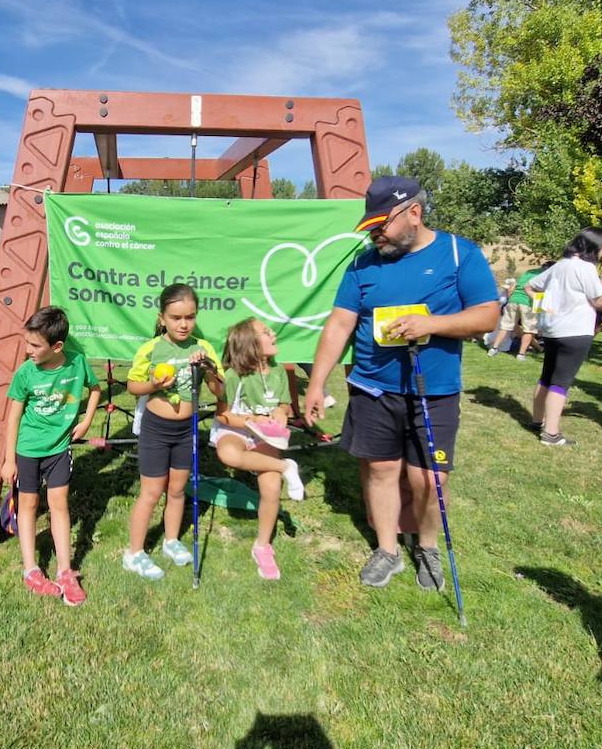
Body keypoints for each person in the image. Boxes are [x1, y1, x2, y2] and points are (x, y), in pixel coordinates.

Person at [303, 176, 500, 590]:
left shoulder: (459, 254)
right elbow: (339, 325)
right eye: (370, 226)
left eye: (382, 225)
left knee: (430, 478)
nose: (375, 234)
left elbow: (486, 316)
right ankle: (387, 549)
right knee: (381, 469)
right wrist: (316, 383)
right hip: (372, 387)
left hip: (434, 390)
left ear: (414, 212)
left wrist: (432, 324)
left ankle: (427, 546)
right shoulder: (362, 264)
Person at [122, 284, 225, 580]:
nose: (183, 324)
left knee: (178, 490)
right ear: (162, 318)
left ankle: (170, 540)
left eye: (189, 317)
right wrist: (154, 385)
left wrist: (207, 369)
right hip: (157, 428)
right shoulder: (151, 348)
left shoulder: (202, 348)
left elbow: (220, 391)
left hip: (186, 429)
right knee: (152, 492)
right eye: (176, 317)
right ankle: (134, 553)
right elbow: (132, 386)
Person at [0, 306, 100, 606]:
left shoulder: (77, 363)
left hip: (59, 449)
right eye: (26, 343)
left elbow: (95, 389)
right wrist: (9, 460)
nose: (27, 350)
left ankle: (65, 572)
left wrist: (86, 421)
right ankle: (31, 570)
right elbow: (13, 418)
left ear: (57, 347)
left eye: (34, 345)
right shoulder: (25, 373)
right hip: (28, 451)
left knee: (59, 505)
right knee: (28, 505)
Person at [210, 318, 306, 580]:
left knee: (272, 488)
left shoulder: (278, 372)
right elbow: (223, 415)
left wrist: (281, 413)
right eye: (266, 332)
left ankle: (262, 546)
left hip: (266, 436)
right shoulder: (233, 376)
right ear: (250, 344)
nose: (273, 333)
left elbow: (284, 405)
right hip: (236, 428)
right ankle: (285, 466)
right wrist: (252, 421)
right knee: (228, 454)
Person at [524, 228, 602, 445]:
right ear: (595, 246)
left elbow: (529, 286)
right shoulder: (586, 268)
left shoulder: (561, 264)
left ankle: (537, 421)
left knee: (546, 377)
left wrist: (545, 306)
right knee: (560, 383)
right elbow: (600, 301)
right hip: (575, 331)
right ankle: (551, 433)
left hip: (552, 330)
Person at [487, 260, 549, 360]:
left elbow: (517, 284)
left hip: (513, 299)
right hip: (527, 302)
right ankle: (521, 354)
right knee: (529, 329)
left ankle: (494, 348)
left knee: (505, 326)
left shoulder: (529, 272)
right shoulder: (545, 275)